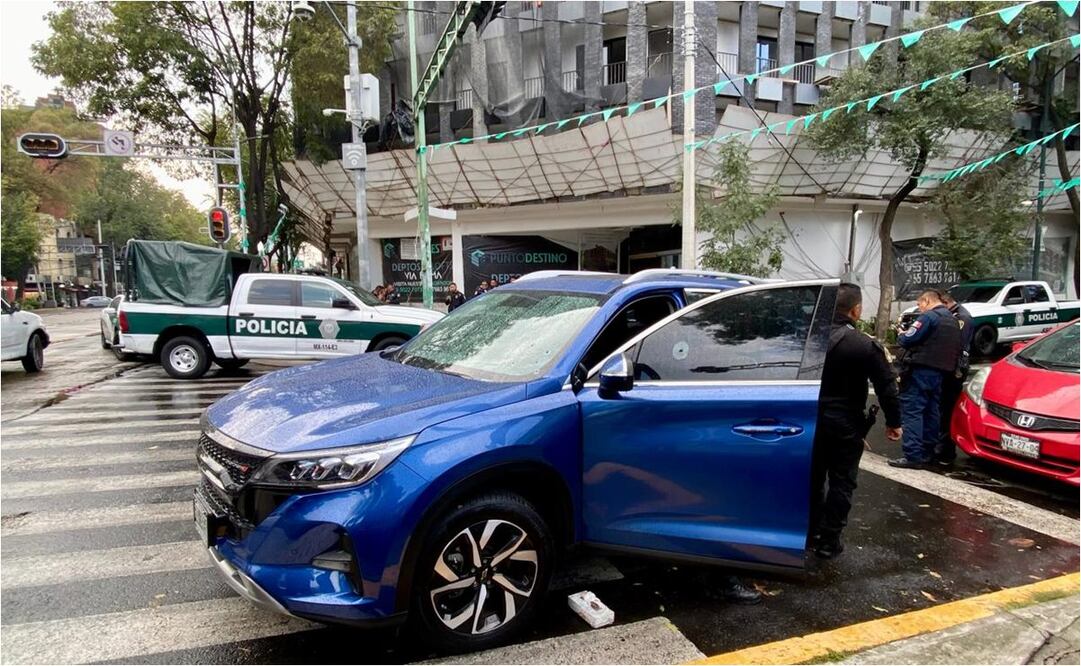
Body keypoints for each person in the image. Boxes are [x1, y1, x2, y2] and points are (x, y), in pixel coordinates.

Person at [811, 283, 902, 559]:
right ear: (856, 310)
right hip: (845, 425)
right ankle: (828, 541)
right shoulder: (864, 344)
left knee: (813, 478)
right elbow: (887, 386)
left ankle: (811, 531)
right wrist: (894, 422)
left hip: (809, 421)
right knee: (842, 481)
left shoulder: (808, 339)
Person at [889, 289, 962, 469]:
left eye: (920, 304)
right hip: (940, 372)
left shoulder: (929, 317)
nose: (920, 308)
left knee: (913, 410)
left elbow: (908, 339)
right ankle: (928, 452)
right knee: (932, 411)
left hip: (920, 370)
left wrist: (901, 334)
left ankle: (913, 454)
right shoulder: (952, 320)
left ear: (927, 301)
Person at [935, 291, 974, 465]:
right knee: (941, 409)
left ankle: (946, 449)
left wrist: (957, 370)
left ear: (945, 302)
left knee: (947, 410)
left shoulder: (961, 317)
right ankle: (940, 446)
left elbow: (960, 347)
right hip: (948, 367)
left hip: (954, 370)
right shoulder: (953, 315)